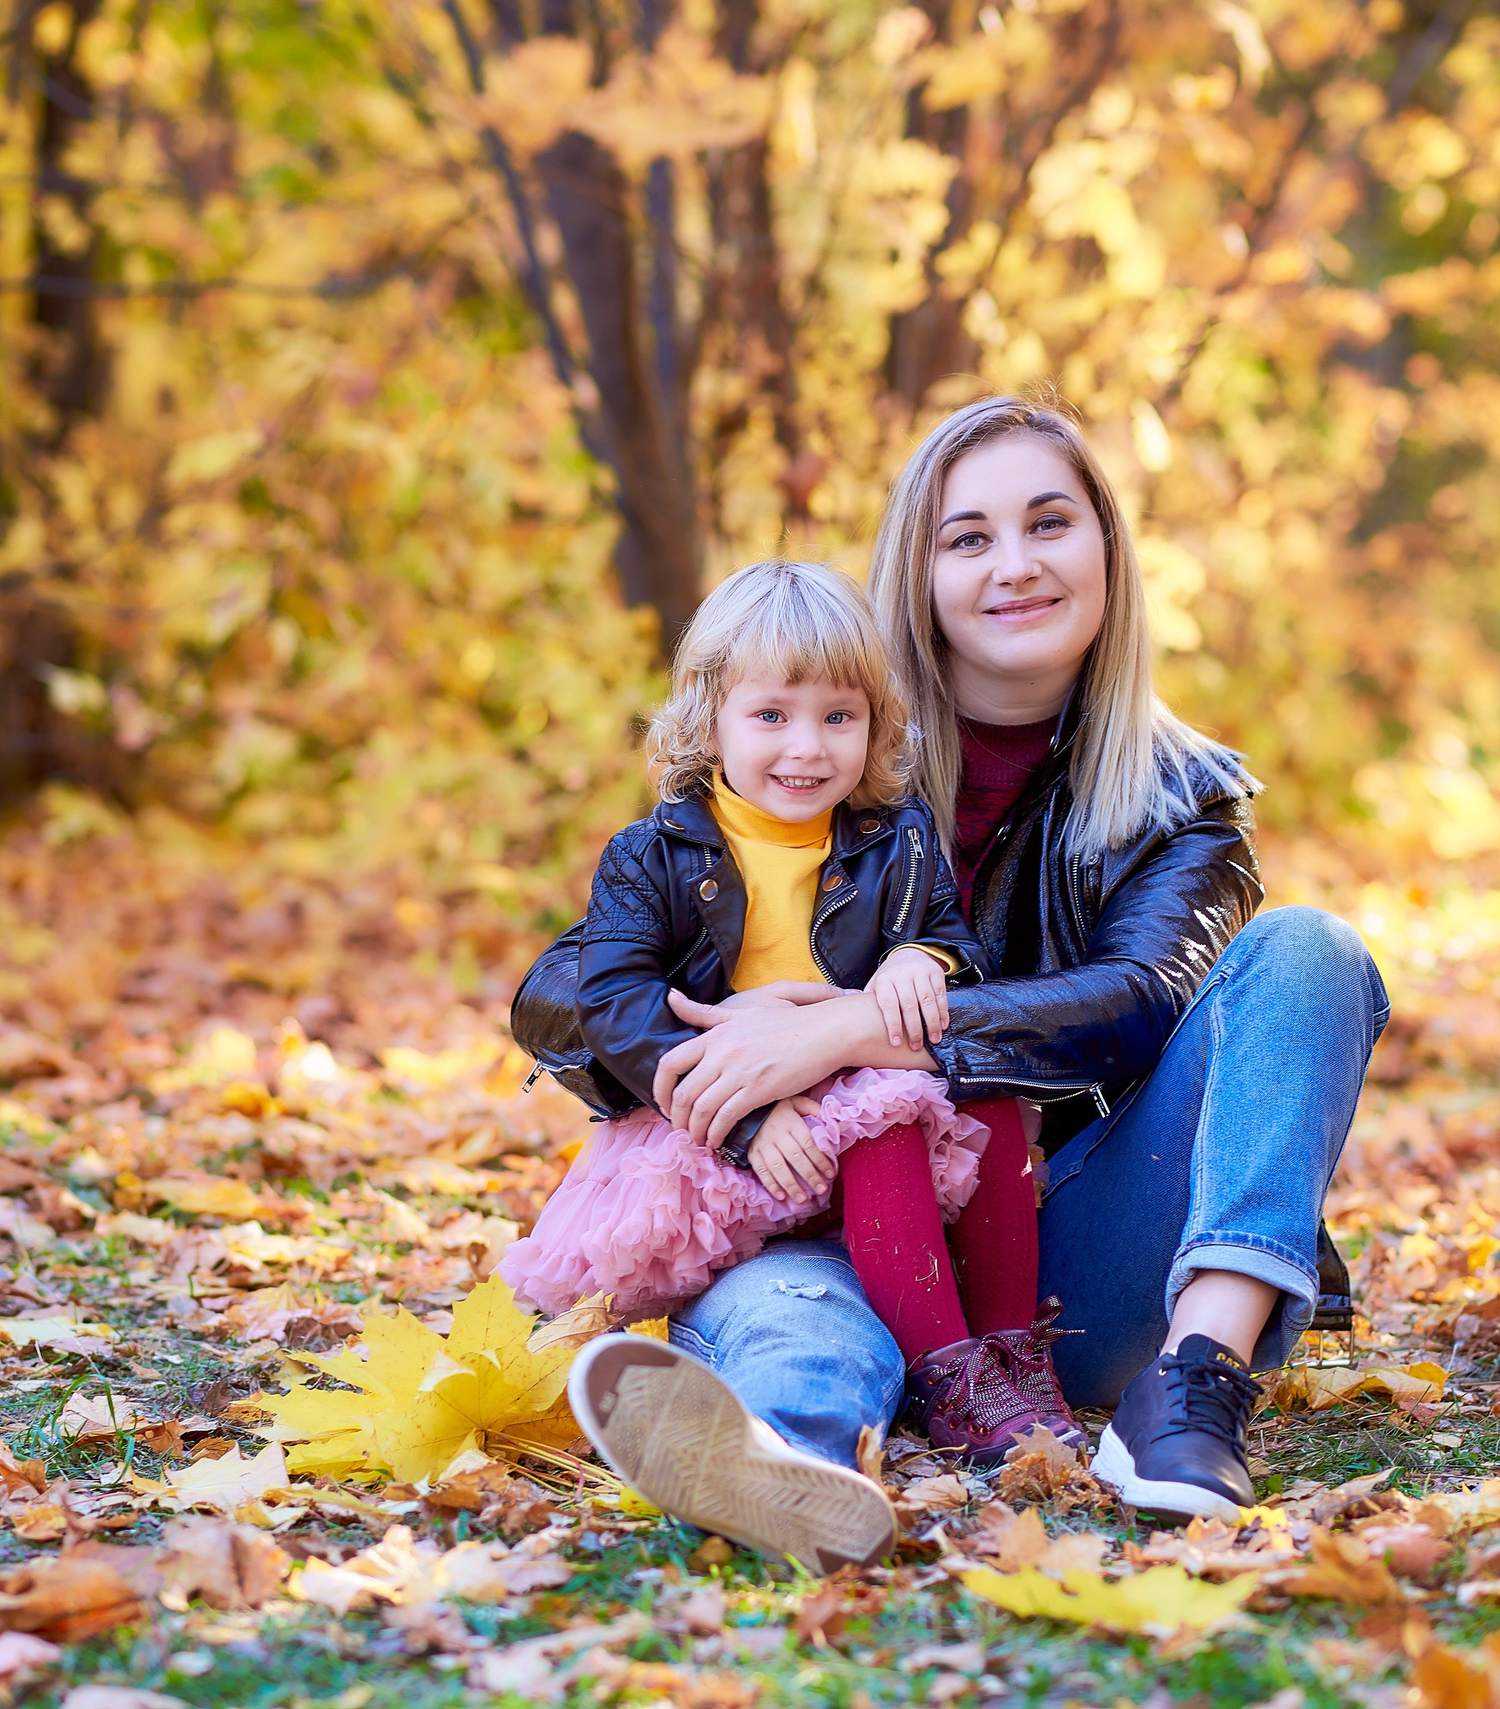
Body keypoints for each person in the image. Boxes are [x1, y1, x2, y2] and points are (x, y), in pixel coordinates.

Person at [518, 398, 1390, 1564]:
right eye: (967, 536)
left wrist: (846, 1033)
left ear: (1107, 553)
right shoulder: (819, 740)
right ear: (916, 572)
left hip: (1058, 1251)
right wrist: (726, 1072)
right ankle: (788, 1469)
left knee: (1313, 951)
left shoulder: (1184, 797)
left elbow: (1135, 1005)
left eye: (1048, 523)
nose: (1014, 564)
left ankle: (1191, 1387)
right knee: (802, 1327)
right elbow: (565, 988)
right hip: (812, 1194)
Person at [502, 559, 1086, 1569]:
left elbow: (955, 949)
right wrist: (745, 1116)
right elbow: (612, 1002)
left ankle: (990, 1367)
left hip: (856, 1175)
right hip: (715, 1151)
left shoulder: (894, 841)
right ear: (709, 718)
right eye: (771, 715)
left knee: (969, 1105)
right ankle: (777, 1442)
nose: (807, 747)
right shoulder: (651, 854)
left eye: (837, 717)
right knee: (808, 1302)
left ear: (875, 725)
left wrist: (924, 952)